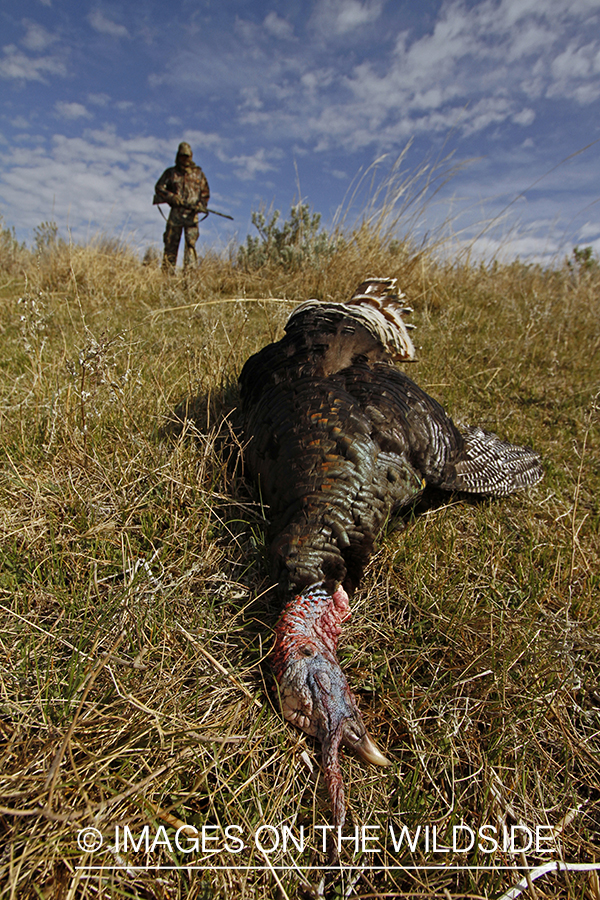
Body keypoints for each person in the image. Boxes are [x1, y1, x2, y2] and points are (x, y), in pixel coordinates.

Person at [153, 142, 210, 273]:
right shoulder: (171, 173)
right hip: (176, 214)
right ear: (178, 156)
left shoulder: (199, 174)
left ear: (191, 156)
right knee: (170, 244)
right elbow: (159, 188)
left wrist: (200, 205)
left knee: (190, 246)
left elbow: (205, 194)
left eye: (187, 156)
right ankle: (167, 276)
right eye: (182, 156)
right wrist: (171, 197)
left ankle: (189, 278)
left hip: (192, 215)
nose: (185, 159)